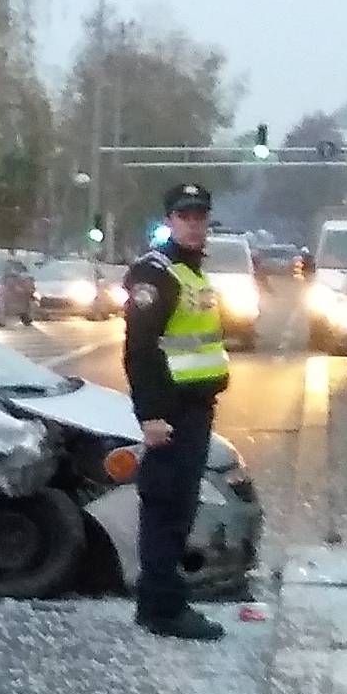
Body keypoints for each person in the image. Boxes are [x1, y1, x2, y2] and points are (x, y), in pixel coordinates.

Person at [123, 184, 231, 640]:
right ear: (169, 220)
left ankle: (160, 600)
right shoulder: (157, 273)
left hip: (194, 409)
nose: (193, 224)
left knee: (180, 508)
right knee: (166, 509)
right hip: (171, 414)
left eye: (199, 217)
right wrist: (150, 415)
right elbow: (140, 352)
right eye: (184, 217)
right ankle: (163, 608)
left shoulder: (193, 273)